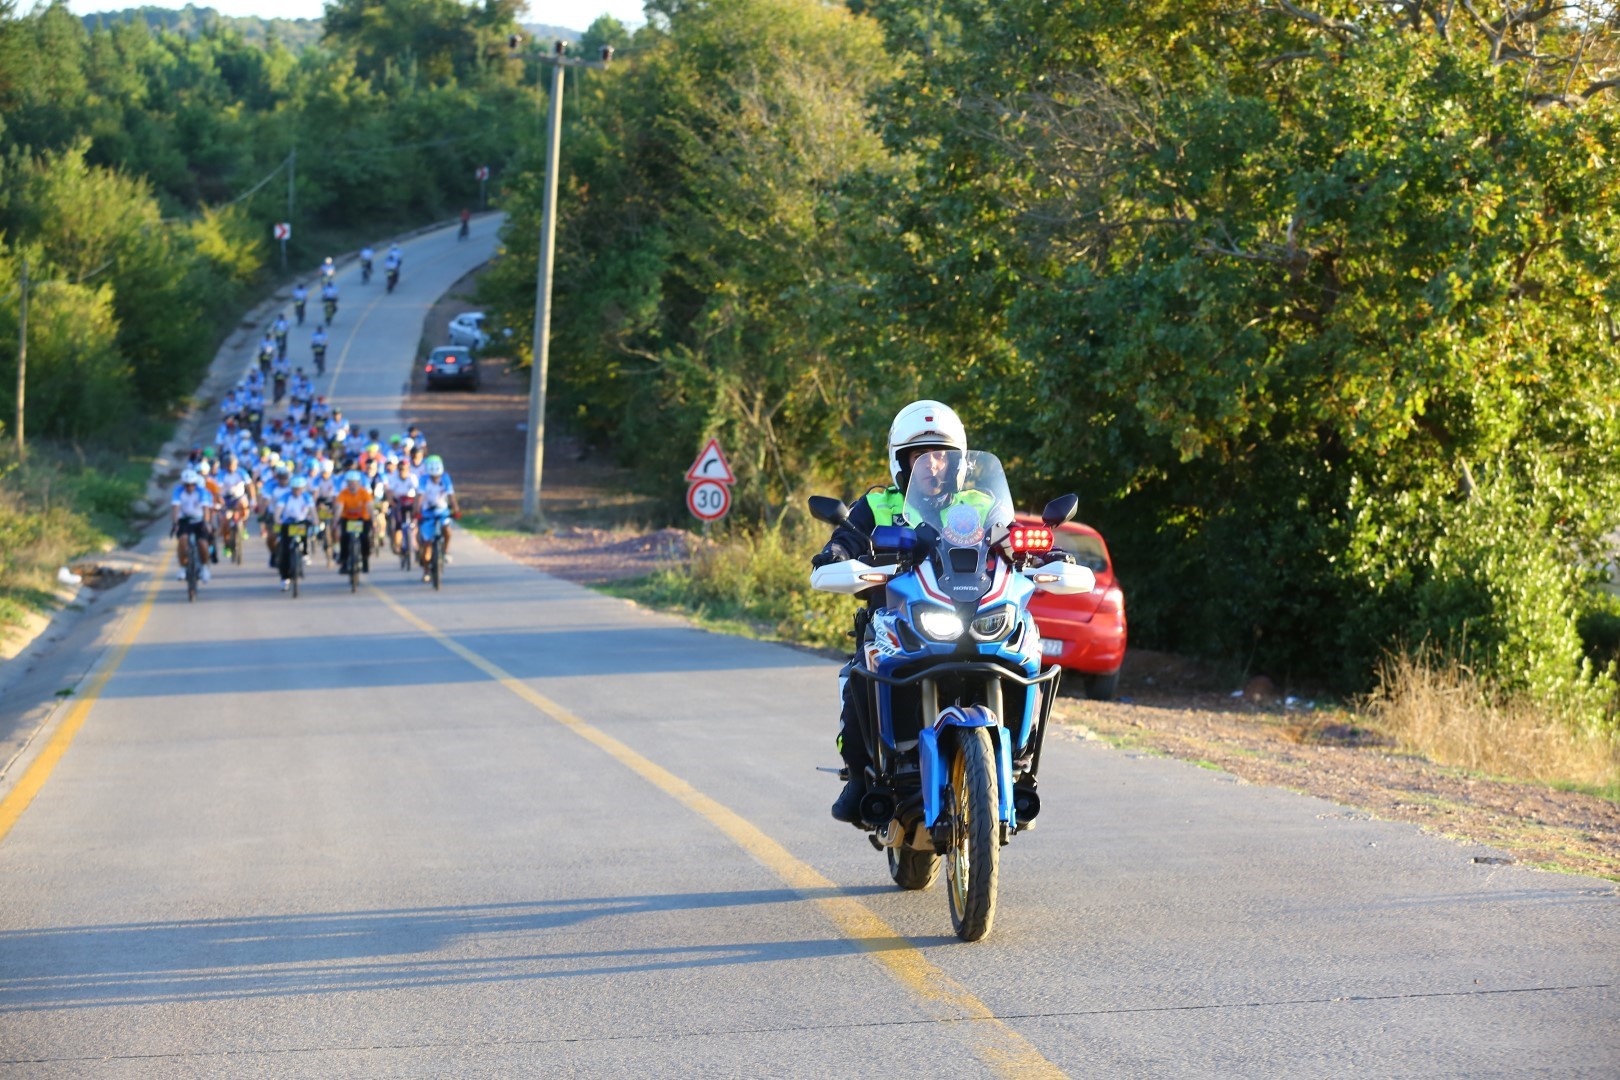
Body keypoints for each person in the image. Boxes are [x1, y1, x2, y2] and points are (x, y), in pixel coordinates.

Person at [812, 400, 969, 824]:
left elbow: (1011, 535)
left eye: (942, 455)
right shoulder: (879, 503)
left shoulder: (978, 502)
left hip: (971, 619)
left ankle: (1014, 766)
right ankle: (862, 779)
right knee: (861, 678)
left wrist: (1048, 553)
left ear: (958, 461)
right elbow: (848, 536)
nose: (933, 465)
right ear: (902, 460)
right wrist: (834, 554)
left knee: (1026, 658)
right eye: (922, 456)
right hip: (898, 624)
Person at [417, 455, 459, 581]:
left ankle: (445, 551)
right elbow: (419, 497)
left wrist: (456, 509)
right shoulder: (423, 479)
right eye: (433, 476)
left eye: (437, 476)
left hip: (442, 511)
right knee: (427, 543)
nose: (435, 478)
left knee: (447, 528)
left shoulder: (445, 478)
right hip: (427, 512)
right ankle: (426, 571)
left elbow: (451, 495)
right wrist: (416, 511)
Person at [274, 474, 318, 591]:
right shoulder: (285, 497)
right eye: (295, 489)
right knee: (284, 552)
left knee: (305, 535)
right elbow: (278, 511)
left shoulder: (307, 497)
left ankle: (304, 552)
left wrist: (316, 520)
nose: (297, 491)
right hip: (288, 524)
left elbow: (313, 511)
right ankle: (284, 578)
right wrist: (277, 519)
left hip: (302, 523)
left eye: (299, 489)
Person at [170, 469, 214, 584]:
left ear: (196, 484)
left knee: (203, 544)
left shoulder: (202, 492)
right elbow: (175, 508)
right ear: (183, 484)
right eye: (187, 485)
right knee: (182, 540)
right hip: (185, 521)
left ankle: (204, 568)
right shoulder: (178, 491)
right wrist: (175, 523)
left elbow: (206, 509)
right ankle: (182, 567)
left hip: (199, 520)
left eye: (192, 485)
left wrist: (207, 522)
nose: (190, 487)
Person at [334, 470, 374, 575]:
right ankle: (344, 562)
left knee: (364, 537)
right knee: (344, 538)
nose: (352, 485)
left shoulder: (364, 493)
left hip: (362, 519)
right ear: (347, 484)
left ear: (359, 483)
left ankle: (365, 559)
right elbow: (339, 508)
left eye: (354, 483)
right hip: (347, 519)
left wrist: (373, 520)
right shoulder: (343, 494)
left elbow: (370, 507)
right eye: (350, 483)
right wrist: (335, 521)